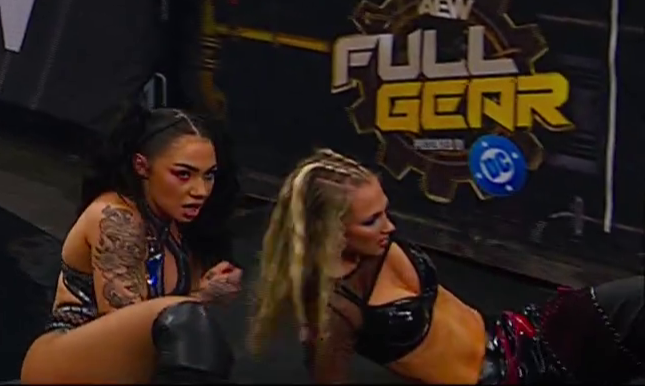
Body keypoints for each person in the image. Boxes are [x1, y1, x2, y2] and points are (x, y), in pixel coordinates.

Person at [250, 149, 644, 384]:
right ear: (330, 230)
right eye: (371, 220)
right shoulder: (334, 309)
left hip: (521, 331)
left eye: (385, 212)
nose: (389, 227)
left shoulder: (378, 245)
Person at [19, 107, 244, 385]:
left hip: (126, 367)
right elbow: (130, 325)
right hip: (63, 361)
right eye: (184, 174)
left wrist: (210, 287)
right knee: (187, 323)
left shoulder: (180, 225)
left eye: (208, 176)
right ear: (142, 166)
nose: (200, 191)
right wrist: (202, 297)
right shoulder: (116, 217)